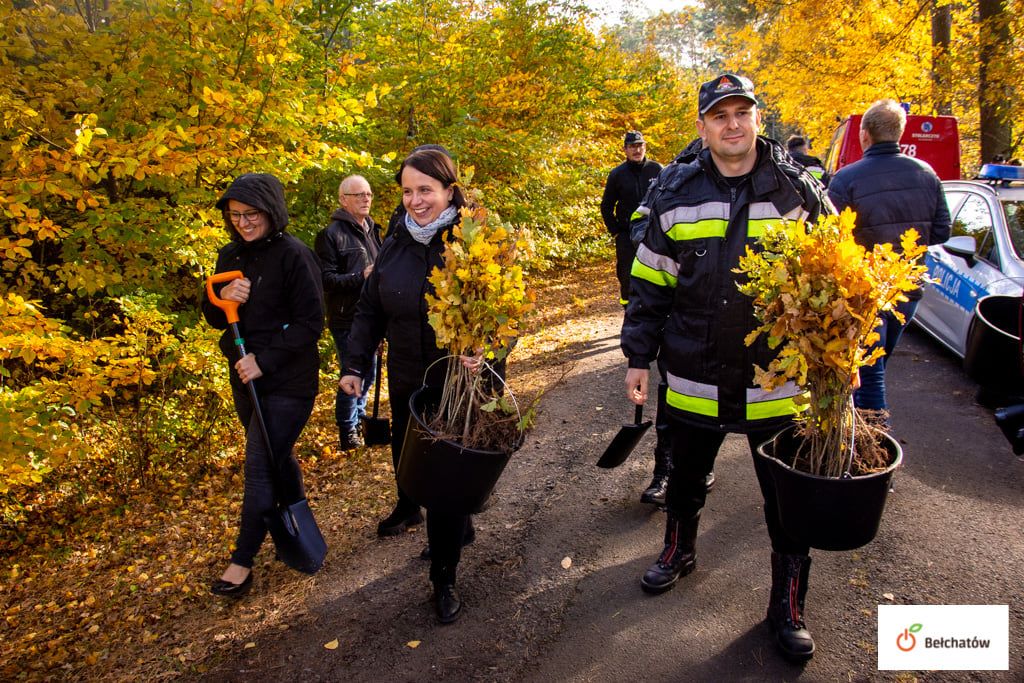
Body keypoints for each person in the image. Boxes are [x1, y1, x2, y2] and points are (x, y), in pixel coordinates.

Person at [622, 73, 832, 661]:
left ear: (758, 119)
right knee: (684, 479)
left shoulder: (798, 194)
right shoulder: (676, 192)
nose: (732, 123)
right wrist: (638, 357)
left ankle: (787, 602)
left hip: (778, 382)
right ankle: (678, 550)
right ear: (702, 128)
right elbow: (650, 286)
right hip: (694, 373)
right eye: (720, 115)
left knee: (787, 502)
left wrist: (837, 362)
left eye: (742, 112)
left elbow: (837, 280)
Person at [339, 149, 478, 624]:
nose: (416, 200)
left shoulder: (472, 243)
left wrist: (488, 354)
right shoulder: (395, 244)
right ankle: (455, 524)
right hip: (405, 383)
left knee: (446, 481)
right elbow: (369, 310)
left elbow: (503, 316)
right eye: (407, 191)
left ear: (448, 191)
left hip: (456, 386)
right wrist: (355, 364)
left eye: (426, 190)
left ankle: (444, 577)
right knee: (412, 468)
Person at [201, 173, 324, 598]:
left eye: (251, 214)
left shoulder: (295, 256)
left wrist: (264, 361)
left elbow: (312, 324)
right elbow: (216, 314)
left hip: (289, 381)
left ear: (271, 211)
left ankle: (242, 560)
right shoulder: (228, 255)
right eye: (235, 215)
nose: (244, 223)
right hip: (244, 377)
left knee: (258, 465)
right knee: (276, 457)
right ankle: (298, 522)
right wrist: (224, 297)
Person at [827, 99, 951, 417]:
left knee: (869, 373)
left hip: (864, 290)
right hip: (907, 287)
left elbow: (831, 238)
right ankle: (860, 434)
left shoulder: (846, 178)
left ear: (864, 135)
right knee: (876, 363)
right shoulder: (927, 175)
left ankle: (872, 446)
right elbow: (942, 232)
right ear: (899, 132)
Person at [314, 175, 382, 451]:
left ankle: (361, 420)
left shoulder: (373, 230)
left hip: (372, 316)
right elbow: (325, 280)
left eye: (368, 194)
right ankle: (348, 431)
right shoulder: (330, 235)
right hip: (346, 317)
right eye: (359, 195)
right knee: (352, 373)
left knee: (371, 373)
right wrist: (361, 276)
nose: (366, 199)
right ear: (343, 200)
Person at [601, 131, 662, 308]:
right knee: (626, 275)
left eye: (640, 145)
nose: (637, 150)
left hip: (653, 232)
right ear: (625, 149)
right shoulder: (617, 174)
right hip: (627, 235)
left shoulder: (657, 169)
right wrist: (616, 231)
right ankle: (630, 314)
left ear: (645, 147)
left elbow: (668, 199)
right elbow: (606, 206)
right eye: (632, 146)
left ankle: (655, 314)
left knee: (656, 273)